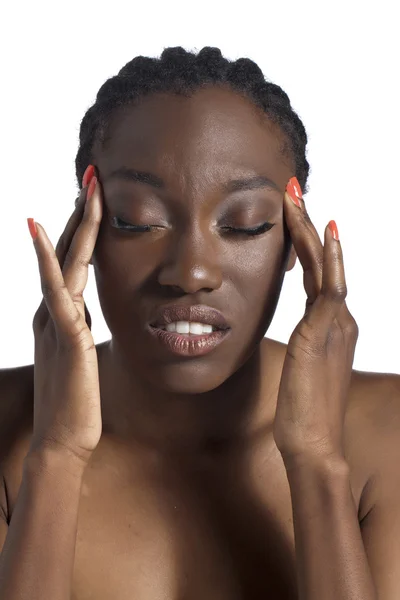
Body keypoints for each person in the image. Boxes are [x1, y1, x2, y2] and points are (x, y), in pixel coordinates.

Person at [0, 46, 399, 600]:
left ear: (294, 239)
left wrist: (317, 461)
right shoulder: (8, 429)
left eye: (244, 224)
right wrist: (57, 455)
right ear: (83, 237)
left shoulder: (390, 435)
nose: (191, 272)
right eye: (138, 221)